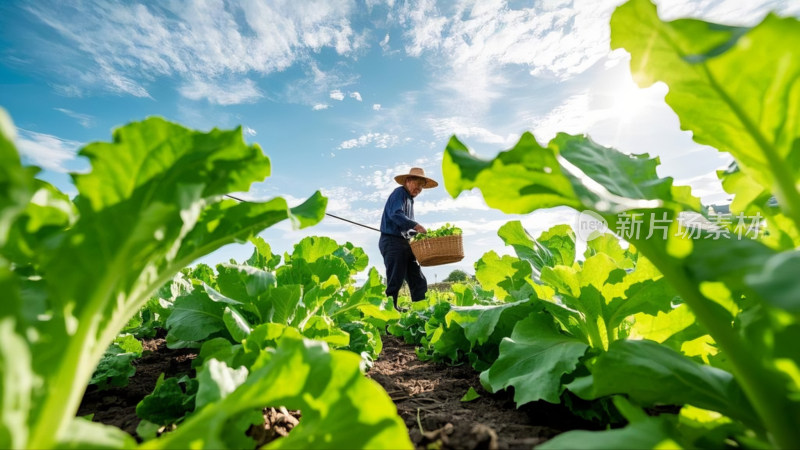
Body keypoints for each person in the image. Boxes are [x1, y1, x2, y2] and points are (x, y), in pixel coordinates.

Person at [379, 167, 438, 310]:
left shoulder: (410, 200)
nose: (419, 189)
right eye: (417, 184)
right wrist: (416, 225)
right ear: (408, 181)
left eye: (422, 186)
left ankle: (421, 312)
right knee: (395, 280)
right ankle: (389, 315)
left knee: (417, 279)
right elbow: (395, 214)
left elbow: (405, 227)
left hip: (404, 244)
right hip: (392, 242)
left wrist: (415, 233)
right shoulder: (399, 193)